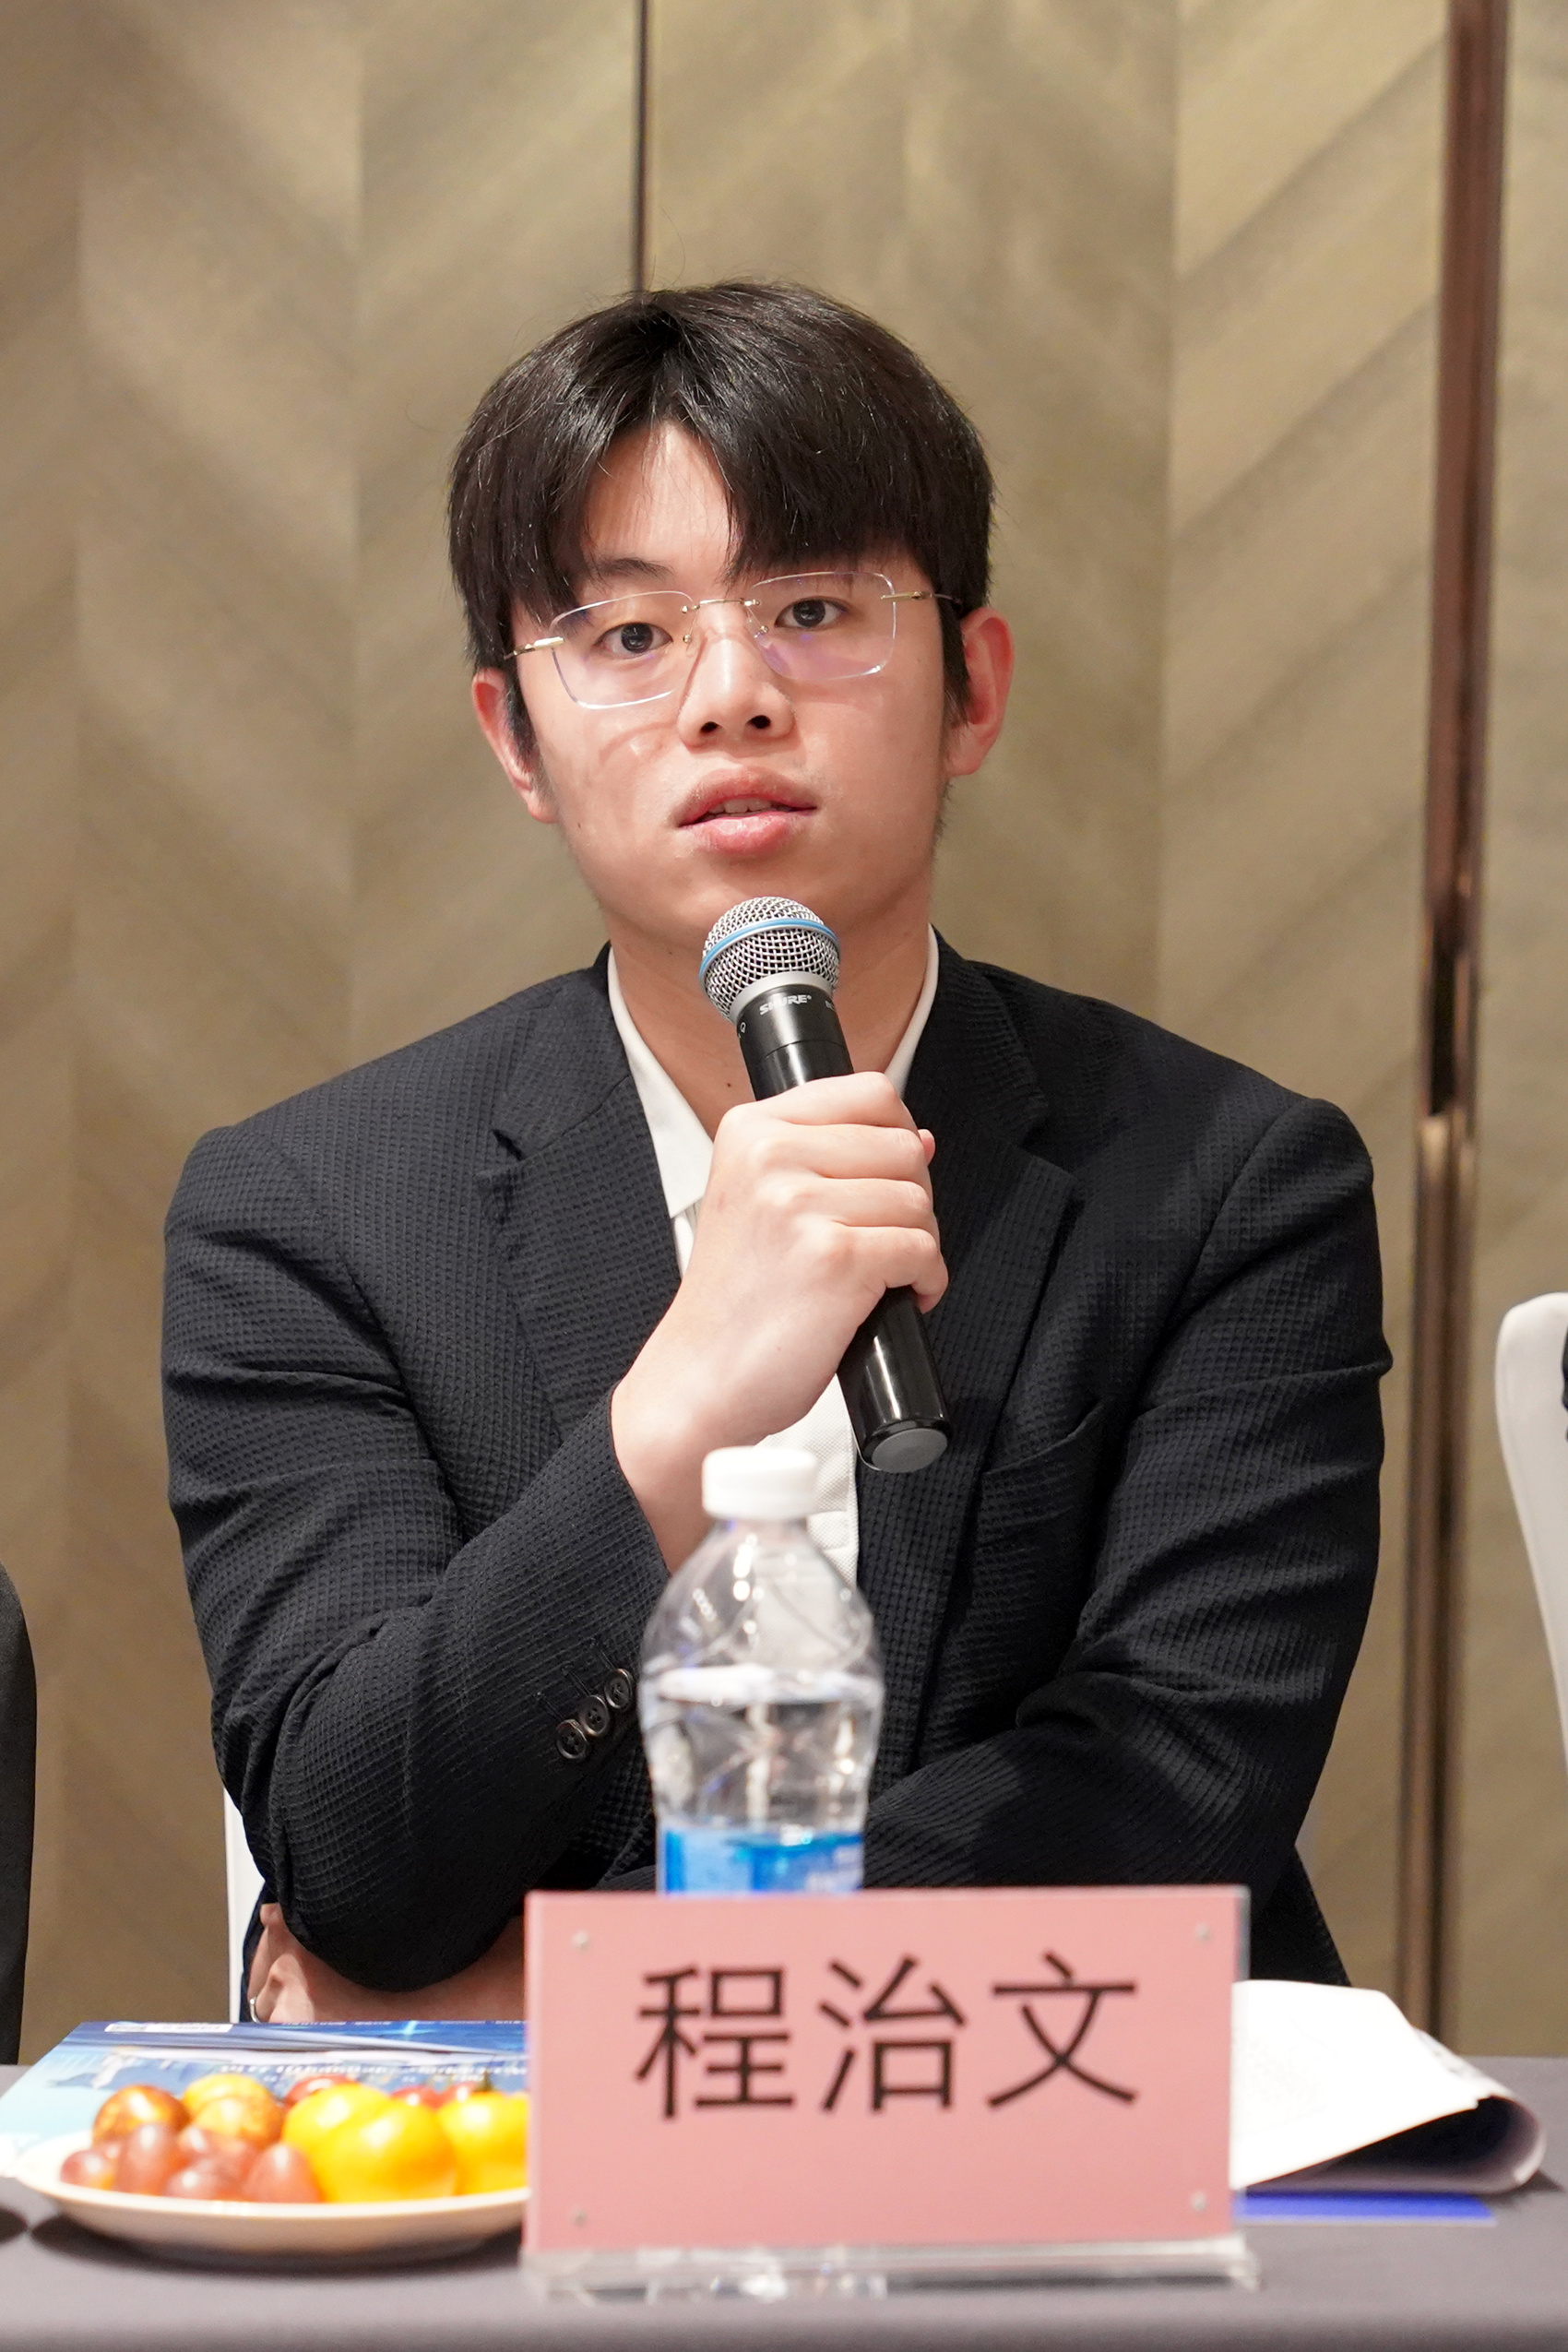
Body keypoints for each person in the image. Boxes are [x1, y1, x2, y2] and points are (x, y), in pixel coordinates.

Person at [163, 282, 1389, 2019]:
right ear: (514, 737)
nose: (731, 697)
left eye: (811, 610)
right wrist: (677, 1416)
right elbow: (353, 1847)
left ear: (971, 689)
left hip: (1072, 2127)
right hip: (512, 2182)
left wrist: (572, 1985)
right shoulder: (308, 1212)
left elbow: (1171, 1790)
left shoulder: (1230, 1183)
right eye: (627, 635)